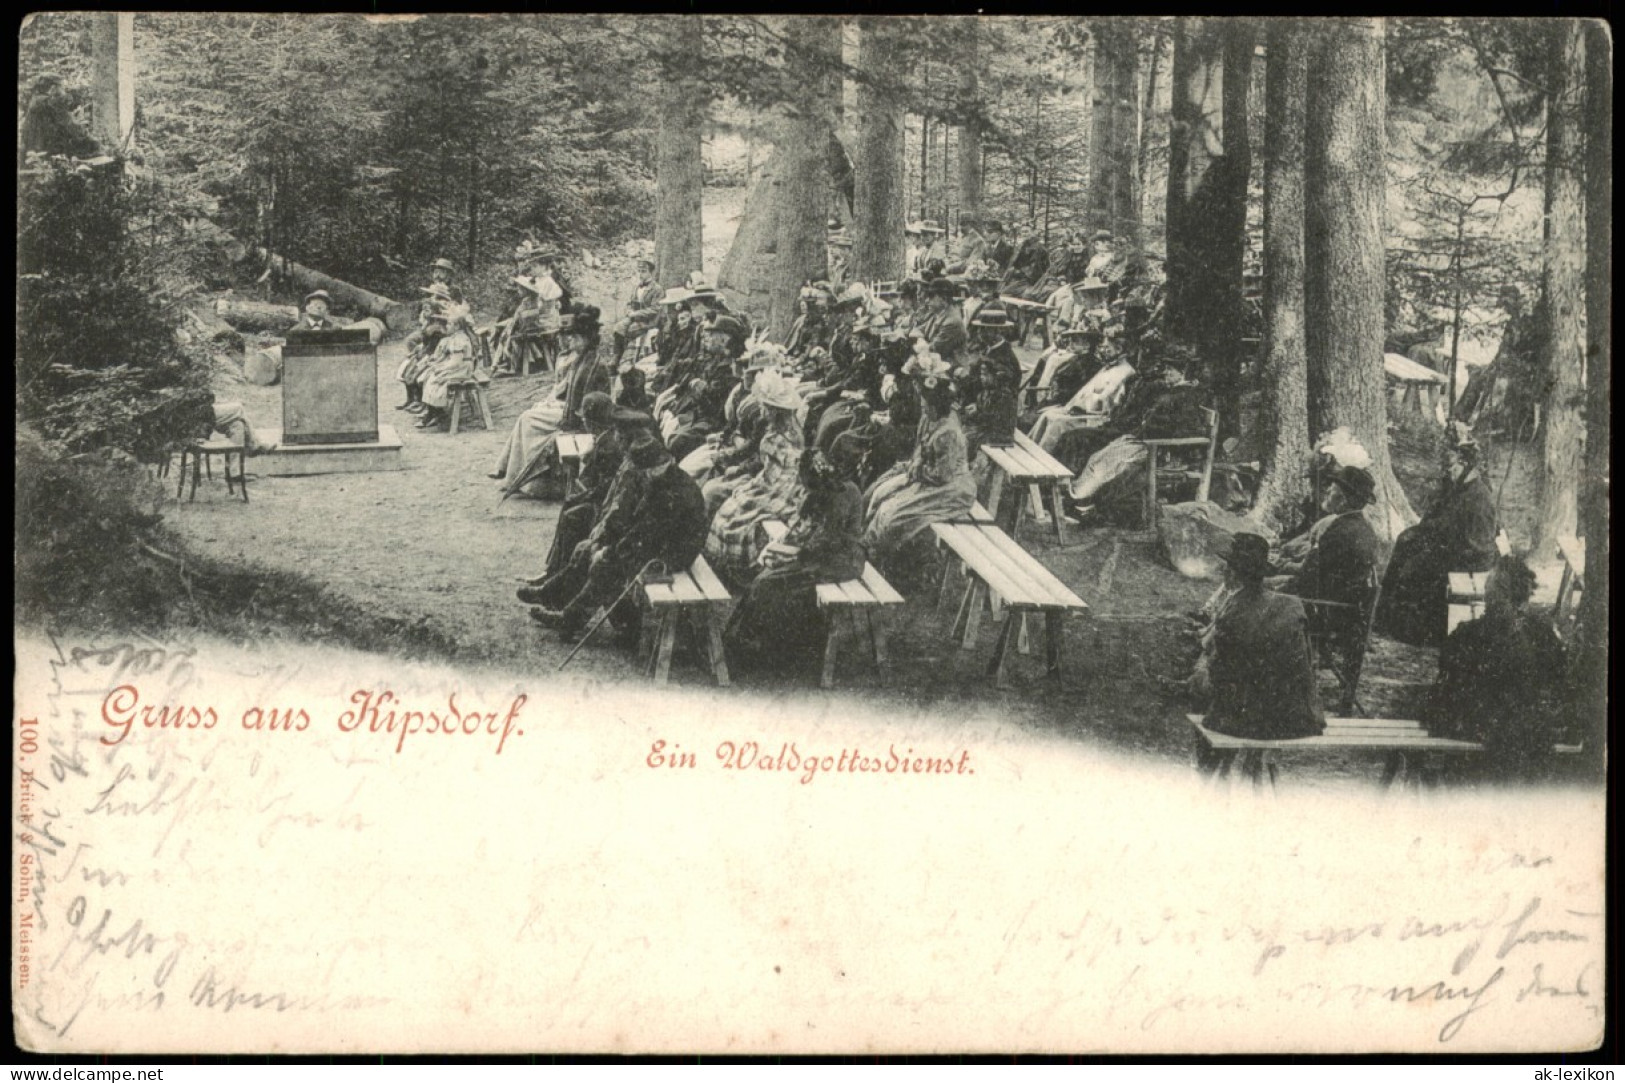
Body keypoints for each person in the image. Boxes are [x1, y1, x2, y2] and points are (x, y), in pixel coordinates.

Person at [526, 435, 708, 643]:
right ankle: (556, 597)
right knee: (589, 549)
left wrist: (609, 551)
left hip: (674, 554)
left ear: (657, 466)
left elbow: (646, 536)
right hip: (660, 542)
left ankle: (573, 619)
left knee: (606, 566)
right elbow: (638, 524)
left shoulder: (672, 493)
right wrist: (605, 542)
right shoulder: (663, 479)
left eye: (645, 470)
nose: (643, 475)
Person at [725, 449, 867, 671]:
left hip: (841, 559)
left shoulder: (842, 495)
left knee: (768, 581)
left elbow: (824, 542)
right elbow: (802, 527)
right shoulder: (822, 490)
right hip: (819, 553)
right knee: (765, 573)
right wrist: (780, 547)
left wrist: (786, 553)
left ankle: (755, 647)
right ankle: (754, 642)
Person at [1425, 555, 1569, 772]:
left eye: (1490, 589)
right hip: (1530, 733)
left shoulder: (1470, 634)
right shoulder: (1543, 633)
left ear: (1497, 595)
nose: (1486, 594)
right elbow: (1558, 677)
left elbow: (1447, 675)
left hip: (1484, 730)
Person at [1197, 534, 1324, 759]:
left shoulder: (1231, 614)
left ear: (1235, 574)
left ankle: (1211, 773)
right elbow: (1307, 668)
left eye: (1227, 566)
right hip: (1298, 721)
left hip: (1247, 724)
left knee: (1204, 695)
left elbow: (1219, 676)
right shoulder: (1291, 606)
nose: (1223, 571)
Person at [863, 352, 977, 586]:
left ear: (935, 401)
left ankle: (892, 565)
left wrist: (917, 470)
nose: (921, 402)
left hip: (951, 488)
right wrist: (913, 464)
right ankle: (871, 550)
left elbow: (943, 475)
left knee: (893, 514)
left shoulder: (949, 432)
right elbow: (920, 448)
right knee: (879, 493)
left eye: (924, 398)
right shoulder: (928, 418)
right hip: (927, 474)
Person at [1376, 429, 1499, 646]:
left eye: (1452, 468)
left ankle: (1410, 628)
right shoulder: (1461, 490)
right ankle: (1387, 617)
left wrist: (1434, 545)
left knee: (1415, 567)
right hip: (1459, 552)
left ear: (1466, 466)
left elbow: (1474, 542)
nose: (1448, 473)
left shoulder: (1478, 497)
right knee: (1407, 544)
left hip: (1469, 561)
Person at [491, 307, 611, 497]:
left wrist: (568, 421)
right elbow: (567, 391)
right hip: (572, 413)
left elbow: (590, 405)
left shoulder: (593, 365)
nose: (571, 341)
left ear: (587, 339)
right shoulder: (581, 360)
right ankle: (513, 474)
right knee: (527, 417)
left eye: (576, 337)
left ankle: (523, 479)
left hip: (583, 420)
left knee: (529, 420)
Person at [703, 370, 808, 586]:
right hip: (770, 477)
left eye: (766, 407)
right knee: (733, 504)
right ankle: (729, 565)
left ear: (774, 410)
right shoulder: (773, 429)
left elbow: (787, 470)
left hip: (783, 483)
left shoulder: (786, 434)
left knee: (739, 512)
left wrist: (756, 485)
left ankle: (739, 567)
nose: (762, 409)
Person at [1270, 464, 1382, 652]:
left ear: (1344, 499)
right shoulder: (1362, 527)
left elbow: (1307, 576)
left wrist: (1279, 572)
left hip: (1324, 610)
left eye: (1333, 489)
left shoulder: (1339, 531)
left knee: (1256, 591)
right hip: (1342, 606)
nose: (1328, 490)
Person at [958, 308, 1023, 462]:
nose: (980, 333)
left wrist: (978, 407)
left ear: (999, 331)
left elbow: (1002, 395)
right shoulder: (990, 349)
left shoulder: (1004, 357)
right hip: (985, 406)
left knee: (963, 434)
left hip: (997, 421)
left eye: (986, 330)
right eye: (981, 329)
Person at [415, 303, 479, 431]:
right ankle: (434, 412)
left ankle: (439, 414)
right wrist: (438, 365)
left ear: (457, 326)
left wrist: (442, 369)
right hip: (458, 366)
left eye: (449, 324)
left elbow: (456, 362)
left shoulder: (460, 339)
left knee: (436, 378)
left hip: (463, 368)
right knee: (430, 374)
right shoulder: (455, 337)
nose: (447, 326)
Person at [612, 258, 662, 363]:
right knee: (618, 328)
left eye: (644, 271)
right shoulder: (636, 287)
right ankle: (617, 356)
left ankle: (626, 358)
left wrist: (636, 313)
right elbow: (630, 303)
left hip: (648, 320)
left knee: (630, 331)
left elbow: (655, 309)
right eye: (639, 271)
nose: (640, 274)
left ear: (651, 273)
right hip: (634, 317)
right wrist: (629, 311)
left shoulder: (657, 289)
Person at [912, 277, 967, 368]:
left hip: (953, 370)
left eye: (931, 296)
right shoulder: (938, 314)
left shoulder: (952, 321)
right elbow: (915, 331)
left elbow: (935, 349)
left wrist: (920, 342)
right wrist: (922, 341)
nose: (927, 300)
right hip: (937, 365)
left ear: (943, 298)